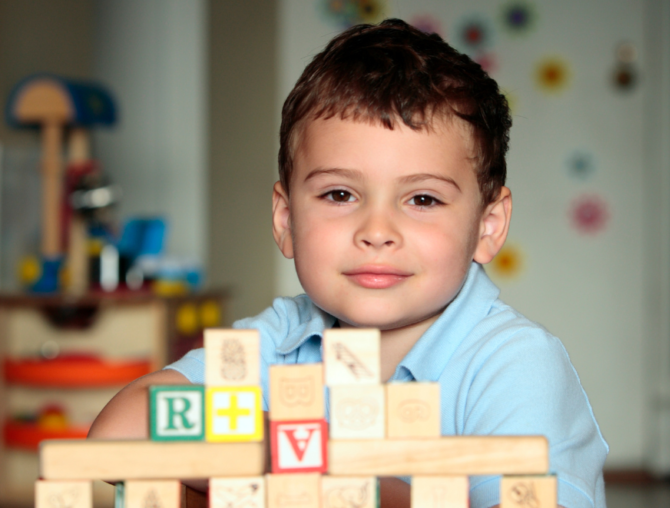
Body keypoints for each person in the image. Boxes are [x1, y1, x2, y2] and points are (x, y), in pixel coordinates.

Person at [88, 18, 608, 508]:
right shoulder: (279, 339)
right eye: (339, 194)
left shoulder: (515, 363)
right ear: (286, 220)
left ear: (488, 226)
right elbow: (122, 428)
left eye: (422, 200)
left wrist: (355, 483)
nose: (377, 232)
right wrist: (306, 455)